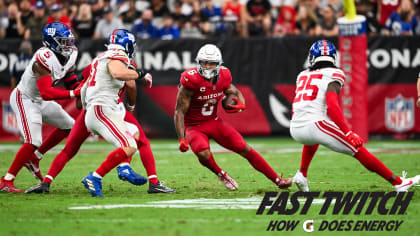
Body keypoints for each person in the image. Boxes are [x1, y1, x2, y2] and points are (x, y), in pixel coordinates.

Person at [25, 57, 175, 194]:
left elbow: (82, 92)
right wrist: (130, 106)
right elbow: (130, 85)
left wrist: (84, 104)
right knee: (137, 140)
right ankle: (141, 177)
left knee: (69, 149)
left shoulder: (95, 63)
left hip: (89, 110)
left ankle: (46, 183)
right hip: (110, 109)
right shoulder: (124, 63)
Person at [290, 39, 420, 192]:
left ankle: (302, 174)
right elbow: (332, 106)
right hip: (314, 125)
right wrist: (348, 132)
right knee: (358, 150)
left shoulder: (302, 75)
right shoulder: (334, 73)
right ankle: (398, 182)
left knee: (314, 136)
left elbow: (299, 107)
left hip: (295, 127)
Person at [174, 44, 292, 191]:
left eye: (211, 63)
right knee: (203, 152)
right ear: (198, 62)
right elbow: (179, 111)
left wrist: (241, 103)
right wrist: (182, 138)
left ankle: (277, 180)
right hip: (194, 125)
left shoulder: (224, 75)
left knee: (244, 148)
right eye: (204, 62)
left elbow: (234, 91)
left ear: (218, 64)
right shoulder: (190, 80)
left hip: (213, 121)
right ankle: (221, 174)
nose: (207, 66)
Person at [80, 29, 173, 197]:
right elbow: (118, 73)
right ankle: (95, 177)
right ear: (127, 45)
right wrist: (141, 74)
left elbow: (84, 88)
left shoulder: (99, 58)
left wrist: (86, 109)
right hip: (102, 110)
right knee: (130, 146)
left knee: (134, 132)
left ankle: (123, 167)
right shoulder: (118, 56)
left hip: (99, 109)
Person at [0, 22, 80, 193]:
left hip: (39, 100)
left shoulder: (71, 53)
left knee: (69, 126)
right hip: (25, 98)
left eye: (68, 40)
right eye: (63, 41)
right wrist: (74, 94)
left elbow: (69, 76)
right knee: (33, 141)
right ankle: (6, 181)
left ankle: (35, 158)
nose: (68, 45)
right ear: (52, 41)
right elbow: (46, 93)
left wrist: (78, 89)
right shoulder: (43, 57)